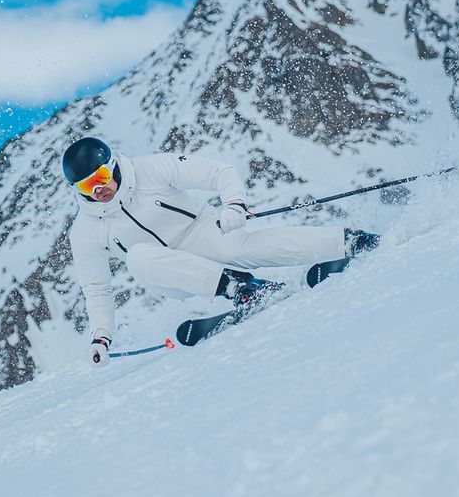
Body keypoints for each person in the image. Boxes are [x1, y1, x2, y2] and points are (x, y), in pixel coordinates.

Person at [62, 137, 379, 365]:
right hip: (167, 272)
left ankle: (346, 241)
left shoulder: (149, 170)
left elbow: (218, 172)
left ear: (113, 167)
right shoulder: (86, 230)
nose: (99, 190)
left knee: (244, 247)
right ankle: (240, 288)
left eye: (101, 178)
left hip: (200, 232)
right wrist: (101, 336)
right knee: (137, 257)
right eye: (87, 187)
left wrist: (234, 204)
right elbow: (96, 289)